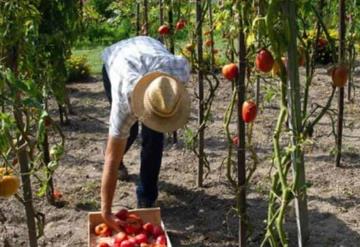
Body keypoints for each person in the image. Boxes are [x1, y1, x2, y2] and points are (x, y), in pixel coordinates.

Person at [100, 36, 191, 231]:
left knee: (154, 138)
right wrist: (106, 212)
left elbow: (168, 97)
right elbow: (110, 157)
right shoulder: (124, 100)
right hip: (116, 60)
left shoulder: (178, 73)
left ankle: (146, 197)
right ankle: (122, 163)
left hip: (148, 48)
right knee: (127, 133)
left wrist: (162, 111)